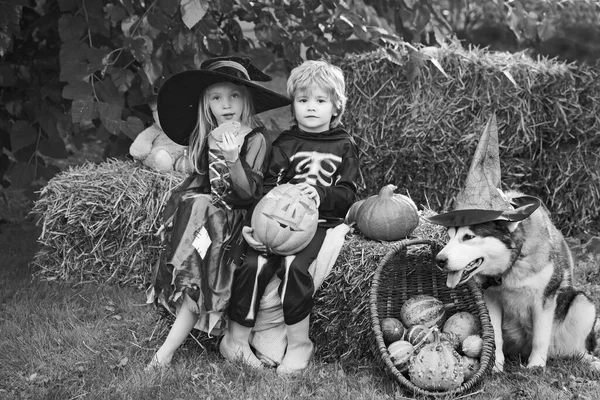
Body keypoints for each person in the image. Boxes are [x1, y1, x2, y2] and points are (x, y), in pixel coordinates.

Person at [145, 56, 291, 370]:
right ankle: (165, 353)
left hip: (233, 229)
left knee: (200, 275)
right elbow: (201, 184)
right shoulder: (207, 136)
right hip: (206, 229)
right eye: (216, 97)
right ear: (206, 104)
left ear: (246, 99)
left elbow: (247, 194)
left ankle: (166, 354)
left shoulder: (256, 139)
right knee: (194, 273)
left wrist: (232, 158)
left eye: (234, 96)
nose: (226, 105)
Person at [222, 60, 360, 374]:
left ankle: (299, 345)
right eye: (303, 100)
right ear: (293, 105)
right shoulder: (286, 143)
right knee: (251, 263)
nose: (311, 107)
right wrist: (253, 227)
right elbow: (267, 188)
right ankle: (235, 341)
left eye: (320, 101)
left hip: (317, 224)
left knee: (295, 267)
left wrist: (321, 195)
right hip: (275, 221)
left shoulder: (344, 145)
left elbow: (348, 194)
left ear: (335, 106)